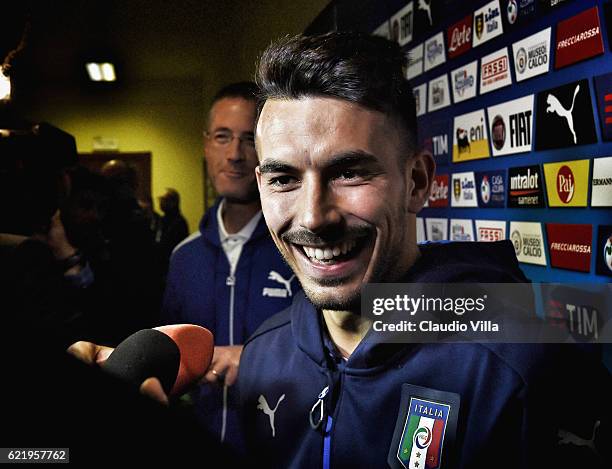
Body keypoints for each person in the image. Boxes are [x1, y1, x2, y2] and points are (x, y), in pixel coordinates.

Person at [236, 32, 610, 468]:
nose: (314, 217)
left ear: (416, 182)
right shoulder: (262, 355)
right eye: (284, 179)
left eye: (349, 172)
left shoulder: (514, 368)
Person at [161, 81, 299, 448]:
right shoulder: (183, 257)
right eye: (222, 137)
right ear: (206, 146)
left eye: (249, 138)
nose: (235, 154)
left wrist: (255, 360)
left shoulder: (307, 251)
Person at [157, 188, 188, 271]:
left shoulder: (179, 222)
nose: (161, 203)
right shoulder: (161, 220)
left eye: (164, 200)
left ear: (173, 202)